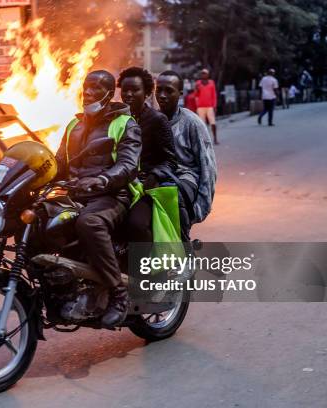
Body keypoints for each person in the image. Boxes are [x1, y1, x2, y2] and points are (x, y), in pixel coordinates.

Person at [55, 70, 141, 327]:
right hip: (76, 193)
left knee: (89, 223)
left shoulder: (124, 124)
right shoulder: (74, 125)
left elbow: (128, 165)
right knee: (36, 219)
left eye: (96, 88)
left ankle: (118, 293)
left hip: (114, 194)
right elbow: (58, 163)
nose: (89, 93)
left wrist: (103, 179)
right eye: (86, 87)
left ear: (109, 93)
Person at [117, 66, 177, 243]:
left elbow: (170, 160)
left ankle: (149, 268)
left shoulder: (157, 120)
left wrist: (153, 176)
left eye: (135, 90)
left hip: (145, 188)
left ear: (147, 93)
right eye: (125, 90)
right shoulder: (116, 119)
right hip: (119, 185)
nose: (128, 94)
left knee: (137, 225)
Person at [156, 71, 217, 241]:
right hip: (156, 177)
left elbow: (208, 167)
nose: (162, 95)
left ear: (180, 94)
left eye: (168, 91)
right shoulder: (150, 120)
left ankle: (185, 250)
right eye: (158, 90)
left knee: (173, 198)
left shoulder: (192, 123)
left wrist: (201, 206)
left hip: (184, 178)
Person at [195, 68, 218, 144]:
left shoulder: (211, 82)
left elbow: (214, 95)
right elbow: (195, 95)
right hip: (200, 107)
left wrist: (214, 105)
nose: (204, 75)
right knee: (202, 125)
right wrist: (197, 90)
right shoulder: (198, 83)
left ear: (208, 75)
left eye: (205, 73)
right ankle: (204, 140)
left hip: (209, 106)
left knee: (213, 123)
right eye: (202, 73)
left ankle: (215, 138)